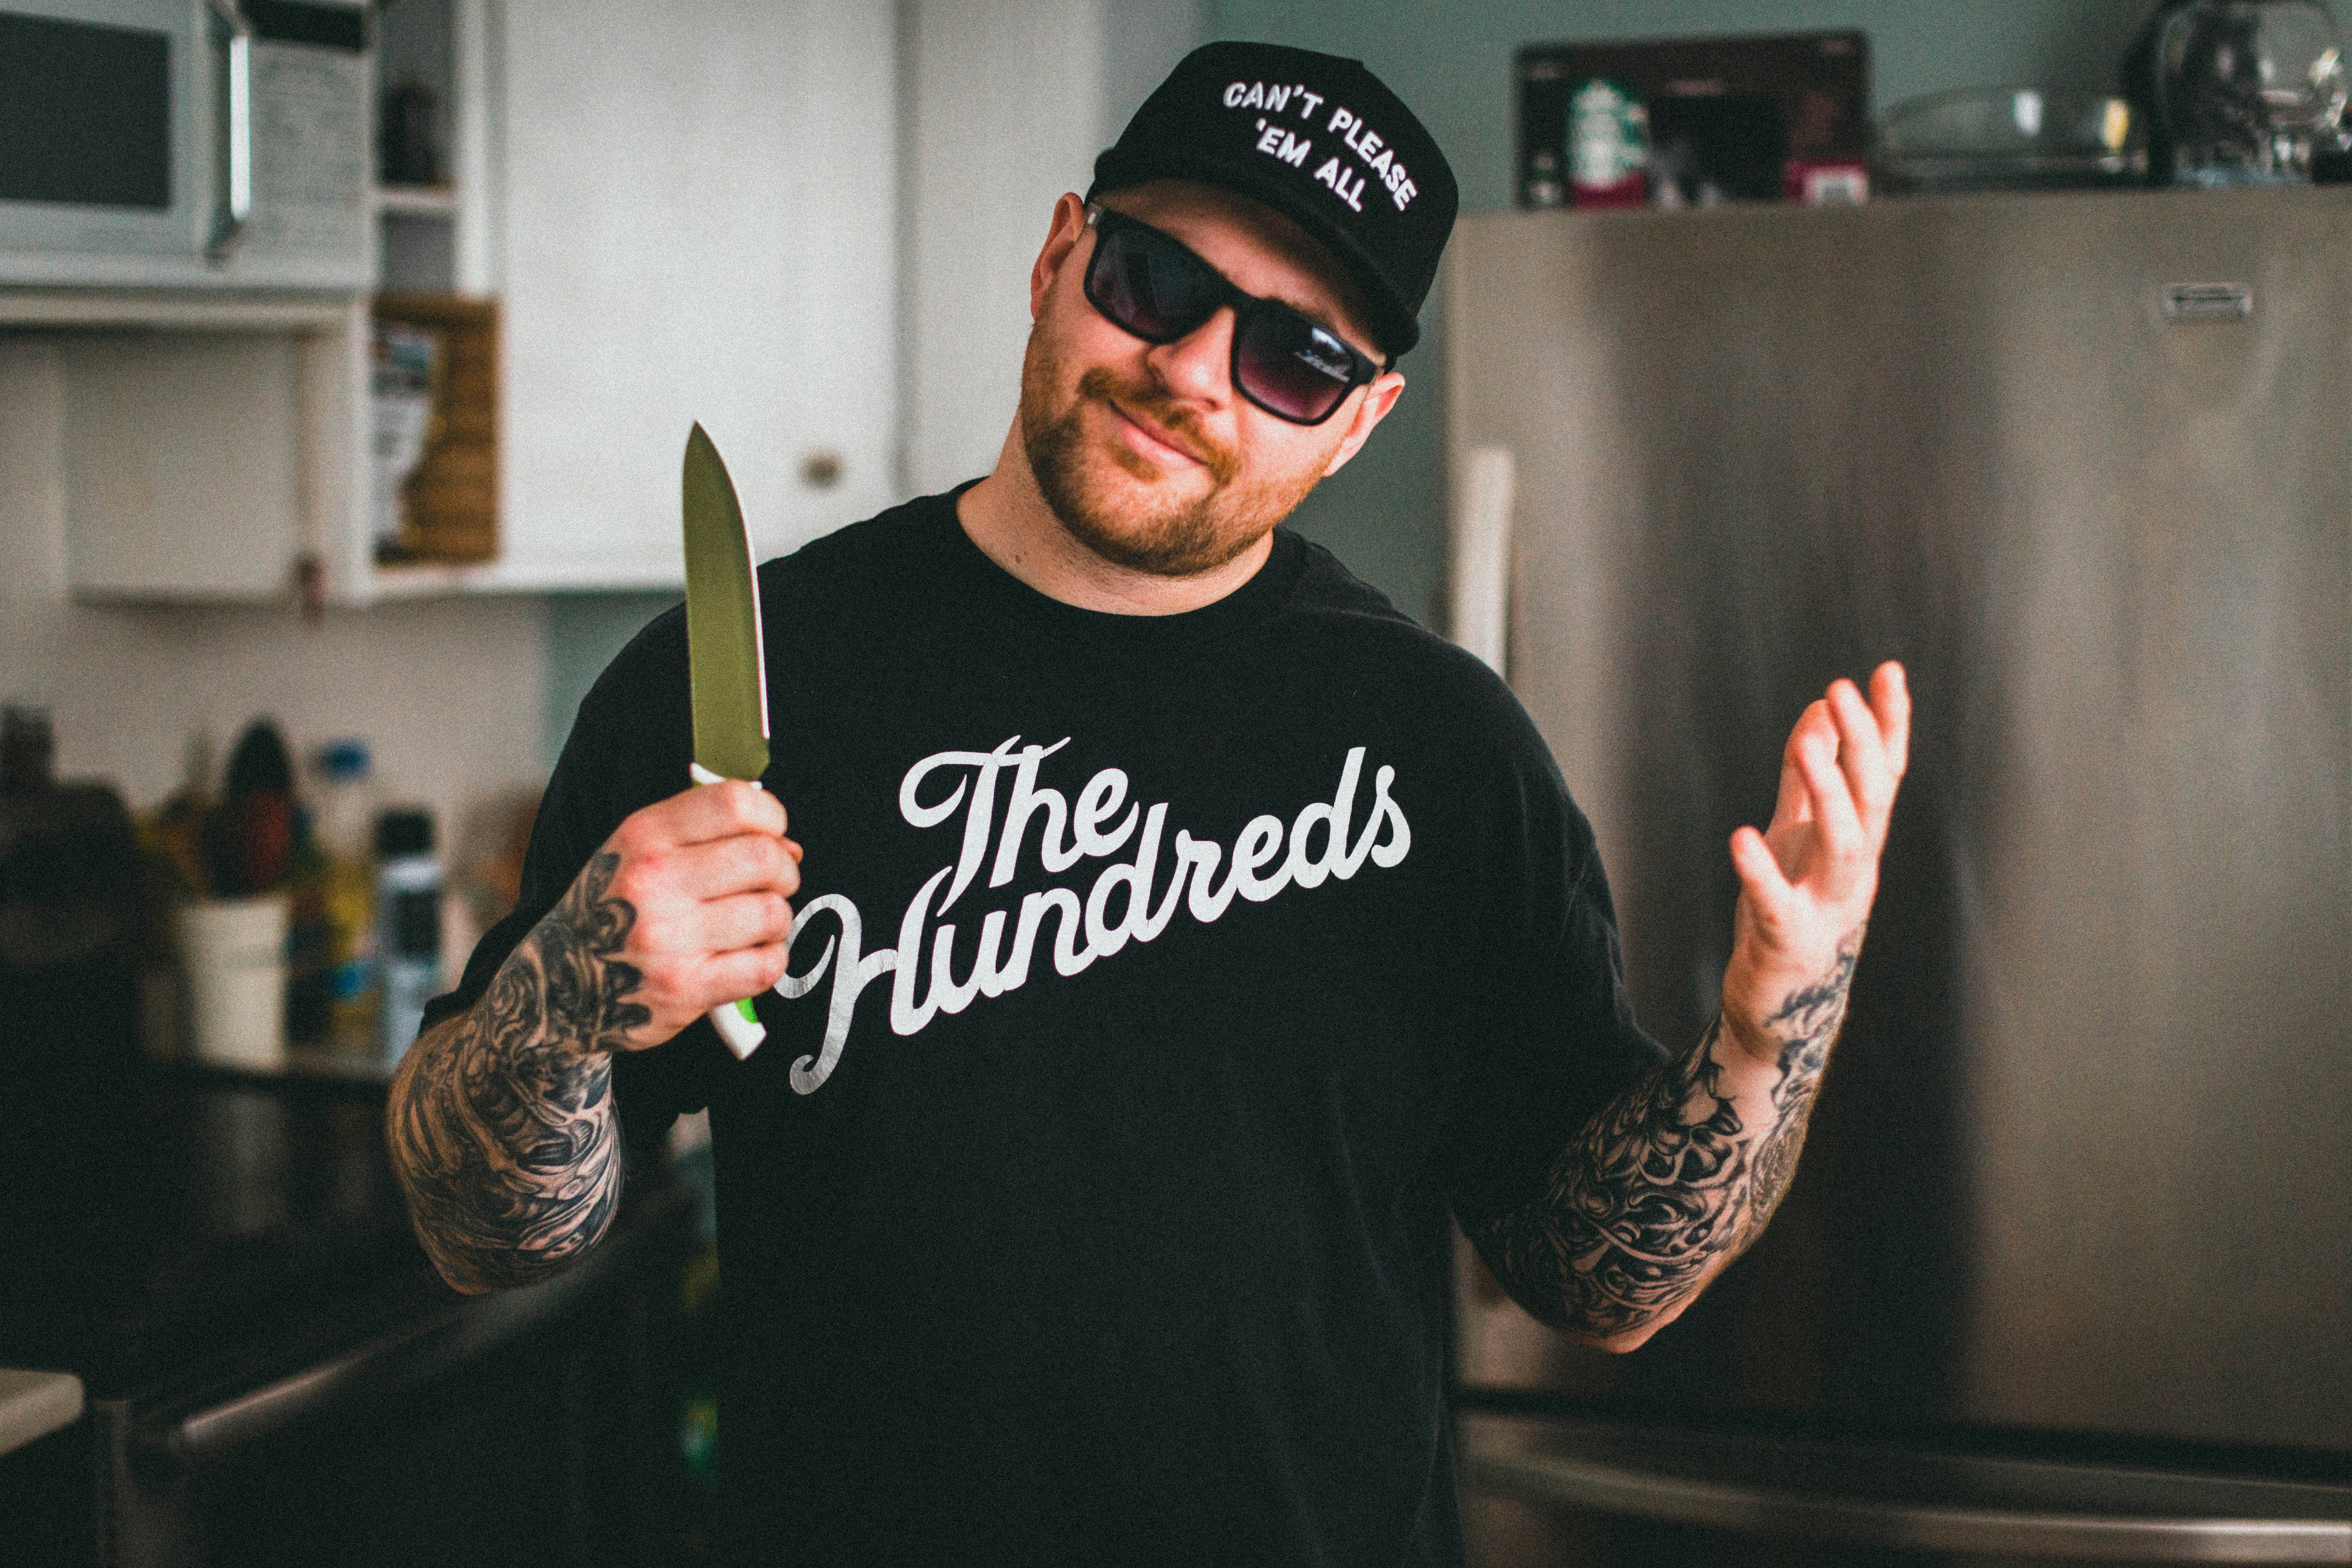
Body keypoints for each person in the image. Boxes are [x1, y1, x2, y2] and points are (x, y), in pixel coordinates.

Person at [387, 39, 1909, 1567]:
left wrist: (1771, 1035)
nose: (1190, 371)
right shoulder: (744, 680)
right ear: (1061, 257)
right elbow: (478, 1234)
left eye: (1294, 355)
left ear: (1358, 421)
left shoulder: (1444, 753)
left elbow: (1601, 1285)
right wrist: (565, 993)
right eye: (1156, 282)